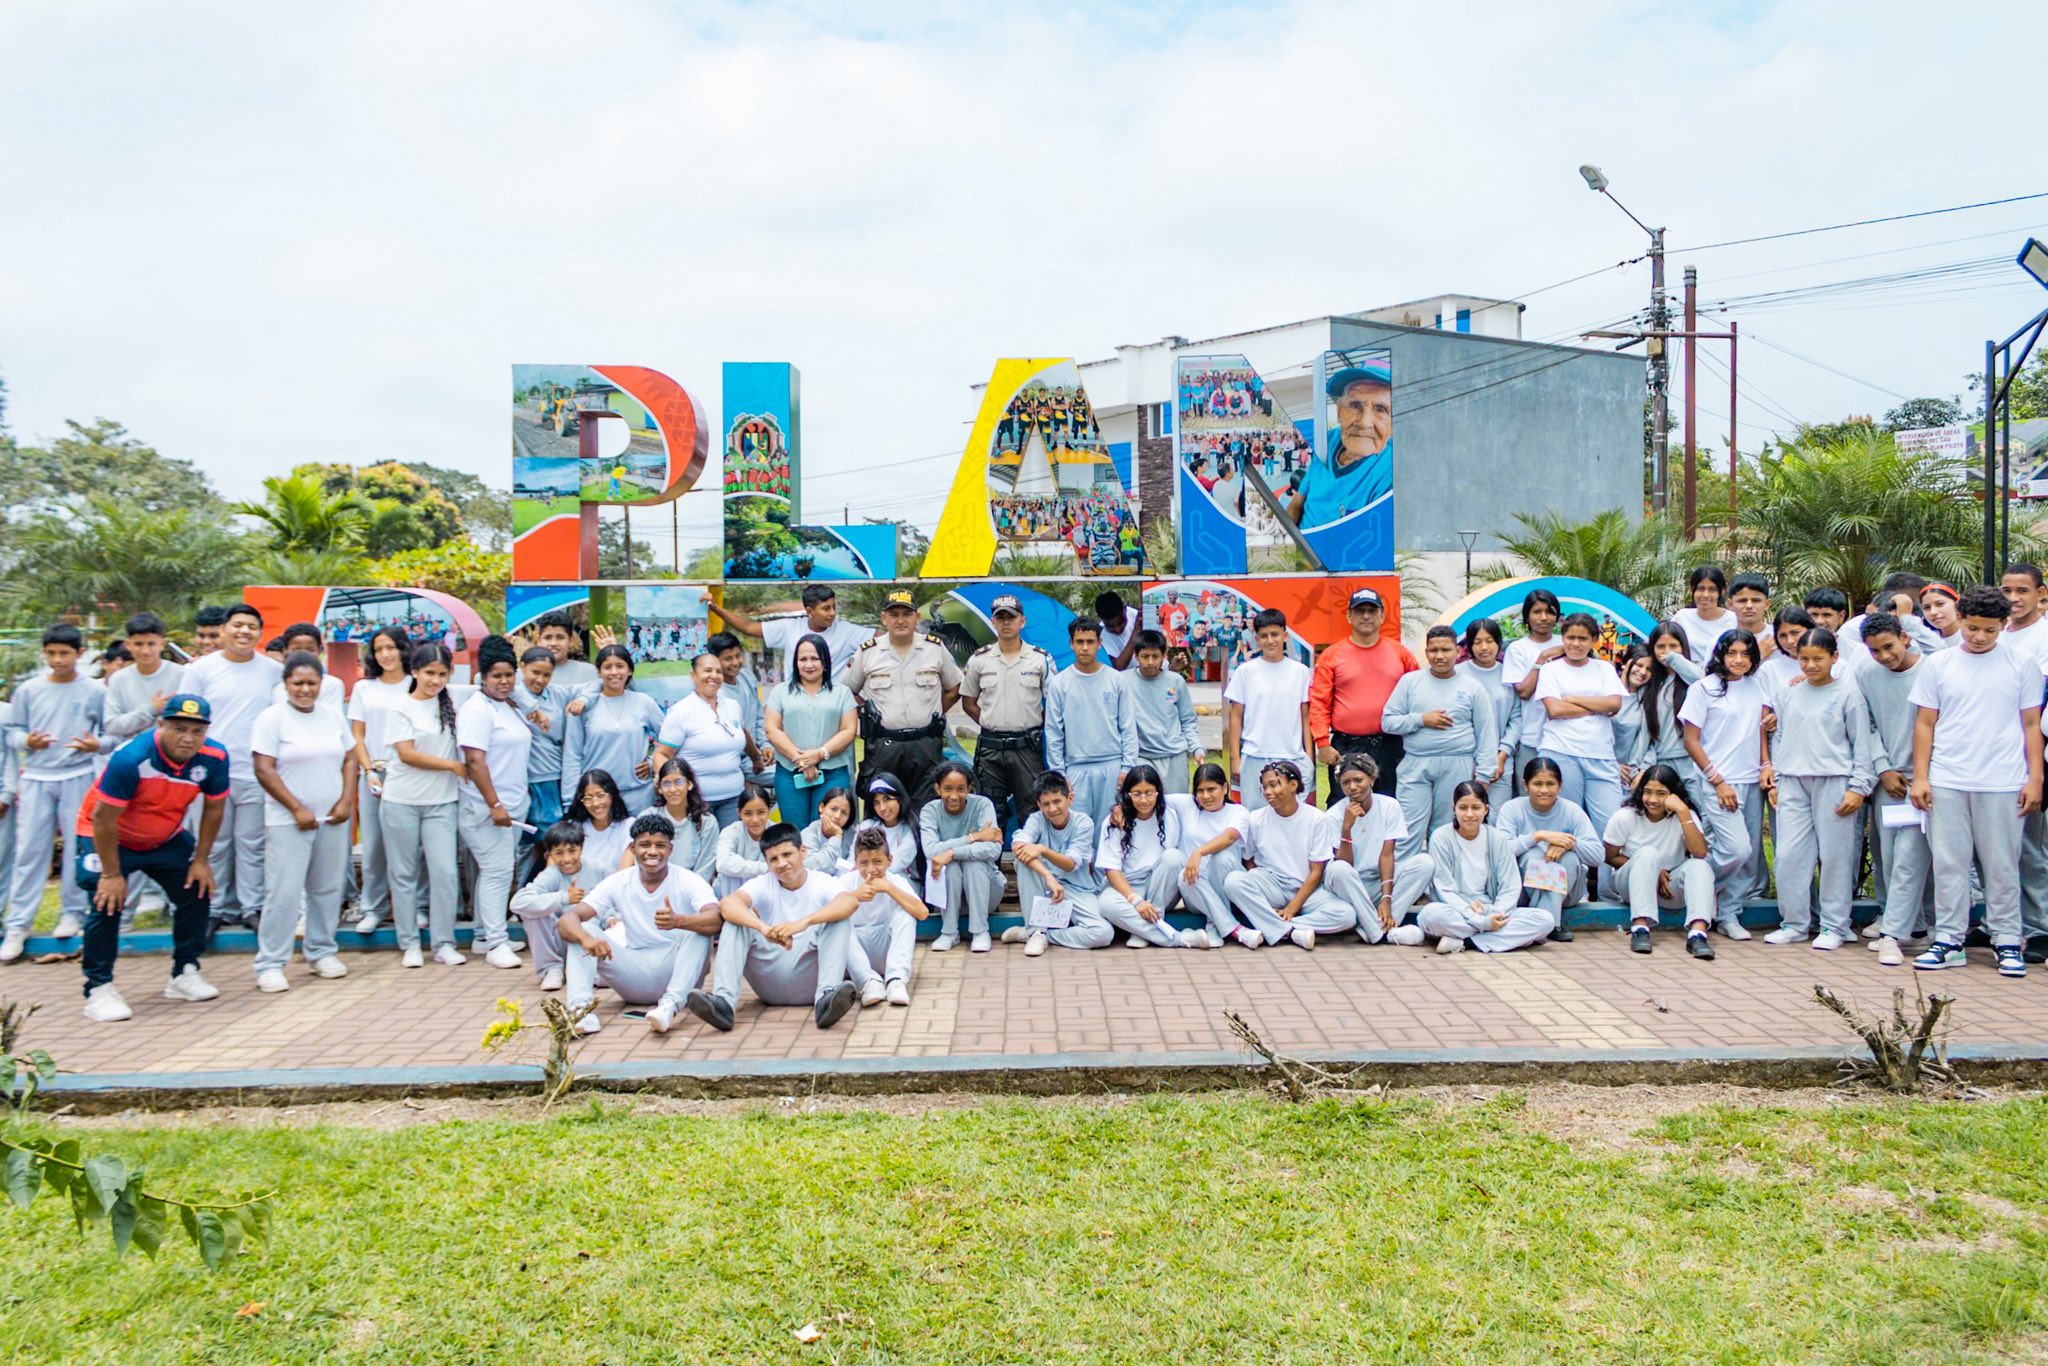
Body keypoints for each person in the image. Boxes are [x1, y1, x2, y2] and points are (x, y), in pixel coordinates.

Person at [1909, 585, 2042, 978]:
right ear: (1960, 619)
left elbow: (2031, 725)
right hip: (1948, 779)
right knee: (1949, 863)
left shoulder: (2021, 664)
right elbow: (1925, 723)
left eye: (1989, 630)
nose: (1979, 637)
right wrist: (1921, 777)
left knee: (2002, 865)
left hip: (2003, 781)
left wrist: (2035, 778)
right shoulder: (1939, 664)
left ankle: (2007, 940)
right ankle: (1949, 940)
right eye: (1972, 628)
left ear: (2003, 625)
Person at [71, 695, 229, 1021]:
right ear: (160, 726)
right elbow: (103, 818)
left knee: (197, 888)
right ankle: (98, 988)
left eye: (197, 731)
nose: (188, 738)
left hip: (164, 836)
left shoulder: (215, 757)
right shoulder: (131, 759)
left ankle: (184, 972)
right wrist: (112, 875)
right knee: (107, 901)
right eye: (179, 729)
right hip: (108, 835)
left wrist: (201, 860)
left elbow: (214, 809)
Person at [1761, 627, 1878, 951]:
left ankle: (1834, 925)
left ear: (1834, 658)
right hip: (1793, 781)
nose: (1811, 665)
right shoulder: (1788, 693)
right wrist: (1778, 777)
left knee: (1835, 857)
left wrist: (1858, 787)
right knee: (1789, 855)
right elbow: (1780, 736)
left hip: (1834, 781)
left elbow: (1862, 744)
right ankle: (1795, 923)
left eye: (1818, 659)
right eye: (1804, 659)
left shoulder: (1848, 694)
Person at [684, 822, 861, 1032]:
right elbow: (728, 904)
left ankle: (826, 999)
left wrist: (802, 923)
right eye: (773, 859)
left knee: (839, 919)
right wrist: (762, 928)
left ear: (802, 851)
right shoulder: (762, 883)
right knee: (737, 920)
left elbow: (849, 902)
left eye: (787, 855)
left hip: (810, 981)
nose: (782, 864)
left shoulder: (822, 881)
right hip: (769, 982)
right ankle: (723, 1004)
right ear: (766, 862)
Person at [558, 811, 723, 1036]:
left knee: (699, 930)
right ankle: (580, 1012)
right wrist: (586, 939)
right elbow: (567, 920)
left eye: (660, 845)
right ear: (632, 848)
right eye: (644, 845)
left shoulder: (688, 880)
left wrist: (679, 921)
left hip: (678, 972)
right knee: (583, 929)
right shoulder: (618, 881)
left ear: (670, 849)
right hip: (633, 973)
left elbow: (716, 918)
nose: (652, 852)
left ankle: (668, 1008)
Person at [248, 652, 356, 992]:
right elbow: (263, 768)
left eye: (312, 683)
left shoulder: (332, 715)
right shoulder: (271, 719)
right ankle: (270, 963)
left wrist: (345, 801)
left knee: (327, 889)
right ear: (286, 684)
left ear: (321, 683)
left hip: (332, 818)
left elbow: (350, 759)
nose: (305, 690)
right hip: (288, 820)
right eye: (298, 683)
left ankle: (321, 951)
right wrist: (295, 808)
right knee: (284, 892)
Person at [2, 624, 104, 957]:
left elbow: (109, 733)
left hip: (78, 774)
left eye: (64, 653)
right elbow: (13, 732)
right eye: (51, 653)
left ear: (79, 654)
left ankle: (72, 913)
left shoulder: (94, 690)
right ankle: (18, 924)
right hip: (37, 777)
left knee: (77, 847)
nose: (58, 660)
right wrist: (27, 741)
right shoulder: (29, 690)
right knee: (29, 851)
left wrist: (95, 745)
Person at [184, 602, 283, 927]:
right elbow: (186, 721)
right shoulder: (200, 670)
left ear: (260, 633)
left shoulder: (272, 671)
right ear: (224, 630)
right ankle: (213, 909)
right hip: (210, 772)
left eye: (252, 627)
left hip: (255, 772)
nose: (244, 631)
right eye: (238, 625)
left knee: (252, 845)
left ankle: (251, 907)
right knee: (214, 845)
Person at [1676, 629, 1767, 938]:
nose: (1739, 660)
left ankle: (1728, 913)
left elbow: (1760, 729)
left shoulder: (1758, 685)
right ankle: (1690, 885)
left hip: (1751, 779)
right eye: (1732, 653)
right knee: (1736, 849)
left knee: (1748, 855)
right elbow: (1691, 740)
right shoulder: (1704, 688)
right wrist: (1717, 780)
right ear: (1720, 655)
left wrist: (1765, 765)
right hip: (1717, 781)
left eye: (1746, 654)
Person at [1380, 625, 1497, 858]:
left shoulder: (1472, 687)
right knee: (1409, 828)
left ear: (1457, 651)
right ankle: (1406, 877)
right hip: (1416, 763)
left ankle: (1442, 877)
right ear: (1426, 652)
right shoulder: (1410, 682)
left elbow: (1486, 733)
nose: (1440, 656)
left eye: (1446, 650)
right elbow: (1388, 722)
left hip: (1457, 763)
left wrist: (1484, 775)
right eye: (1434, 650)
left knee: (1446, 829)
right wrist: (1421, 719)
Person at [382, 642, 466, 968]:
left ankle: (443, 942)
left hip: (442, 803)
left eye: (442, 674)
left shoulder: (454, 702)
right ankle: (410, 943)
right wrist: (453, 766)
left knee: (445, 873)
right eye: (429, 673)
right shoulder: (400, 707)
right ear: (414, 672)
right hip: (401, 801)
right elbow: (406, 754)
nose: (435, 680)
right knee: (403, 874)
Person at [1857, 614, 1933, 965]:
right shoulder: (1866, 674)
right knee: (1888, 858)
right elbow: (1866, 725)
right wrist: (1883, 768)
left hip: (1925, 780)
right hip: (1888, 781)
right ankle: (1913, 928)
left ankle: (1897, 933)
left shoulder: (1932, 670)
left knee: (1909, 857)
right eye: (1876, 651)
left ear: (1905, 637)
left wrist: (1924, 775)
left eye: (1889, 646)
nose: (1885, 656)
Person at [846, 590, 961, 814]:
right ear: (884, 618)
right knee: (881, 811)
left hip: (925, 744)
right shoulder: (868, 652)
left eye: (906, 614)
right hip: (883, 746)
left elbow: (954, 688)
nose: (900, 620)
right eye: (894, 614)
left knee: (926, 811)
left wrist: (934, 711)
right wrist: (866, 712)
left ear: (917, 617)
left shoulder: (934, 648)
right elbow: (848, 691)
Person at [1221, 760, 1355, 950]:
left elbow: (1317, 871)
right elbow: (1248, 860)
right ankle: (1291, 932)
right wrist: (1258, 883)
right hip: (1272, 885)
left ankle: (1278, 926)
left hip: (1307, 889)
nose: (1268, 792)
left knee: (1346, 915)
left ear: (1293, 785)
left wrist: (1292, 909)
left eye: (1273, 785)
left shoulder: (1317, 818)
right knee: (1234, 881)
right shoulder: (1256, 818)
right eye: (1264, 787)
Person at [457, 635, 531, 970]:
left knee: (497, 872)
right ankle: (496, 943)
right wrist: (494, 805)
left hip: (513, 806)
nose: (504, 681)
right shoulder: (477, 710)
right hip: (487, 809)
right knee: (498, 872)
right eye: (496, 676)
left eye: (509, 675)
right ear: (482, 676)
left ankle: (483, 936)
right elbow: (474, 761)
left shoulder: (506, 704)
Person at [1410, 782, 1547, 954]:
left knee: (1545, 919)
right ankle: (1500, 938)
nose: (1469, 814)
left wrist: (1495, 914)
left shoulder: (1496, 838)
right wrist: (1479, 920)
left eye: (1476, 808)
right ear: (1454, 809)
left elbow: (1510, 886)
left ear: (1486, 809)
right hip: (1456, 910)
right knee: (1430, 915)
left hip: (1490, 909)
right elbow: (1445, 889)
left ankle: (1466, 942)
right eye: (1463, 808)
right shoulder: (1441, 838)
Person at [1309, 587, 1417, 798]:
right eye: (1360, 611)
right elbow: (1319, 703)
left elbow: (1417, 695)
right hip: (1347, 747)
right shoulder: (1331, 655)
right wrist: (1322, 743)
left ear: (1382, 616)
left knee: (1390, 804)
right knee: (1346, 804)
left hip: (1391, 745)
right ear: (1349, 616)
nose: (1366, 616)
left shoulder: (1400, 653)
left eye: (1372, 610)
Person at [960, 594, 1053, 837]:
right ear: (993, 622)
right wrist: (990, 721)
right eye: (1000, 618)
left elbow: (1053, 704)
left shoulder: (1040, 659)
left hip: (1027, 748)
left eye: (1011, 617)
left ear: (1022, 621)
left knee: (1032, 812)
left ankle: (1032, 861)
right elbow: (968, 702)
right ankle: (992, 862)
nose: (1006, 623)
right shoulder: (979, 659)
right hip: (991, 749)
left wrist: (1033, 724)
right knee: (991, 814)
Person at [1603, 764, 1718, 959]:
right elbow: (1609, 856)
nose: (1653, 800)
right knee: (1648, 854)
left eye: (1661, 793)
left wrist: (1683, 811)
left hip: (1668, 888)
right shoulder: (1626, 816)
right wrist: (1653, 872)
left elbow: (1699, 852)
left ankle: (1697, 934)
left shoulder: (1685, 815)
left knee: (1700, 866)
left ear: (1674, 795)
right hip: (1631, 884)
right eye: (1647, 792)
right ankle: (1640, 929)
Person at [1093, 764, 1213, 950]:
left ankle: (1143, 928)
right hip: (1127, 887)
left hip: (1161, 888)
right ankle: (1179, 938)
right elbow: (1111, 870)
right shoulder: (1115, 822)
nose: (1143, 800)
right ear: (1128, 794)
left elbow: (1202, 801)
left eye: (1149, 793)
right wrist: (1136, 901)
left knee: (1173, 857)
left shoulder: (1170, 814)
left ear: (1158, 792)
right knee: (1106, 904)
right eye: (1137, 794)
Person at [1533, 612, 1625, 847]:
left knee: (1610, 827)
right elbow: (1555, 709)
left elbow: (1614, 704)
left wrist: (1572, 698)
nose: (1576, 643)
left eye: (1582, 638)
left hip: (1601, 755)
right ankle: (1571, 871)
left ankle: (1605, 873)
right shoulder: (1551, 670)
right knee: (1566, 825)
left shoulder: (1604, 669)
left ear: (1594, 640)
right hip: (1561, 751)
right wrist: (1596, 707)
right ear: (1562, 638)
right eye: (1570, 637)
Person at [346, 626, 413, 935]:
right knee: (373, 846)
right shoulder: (364, 688)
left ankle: (415, 908)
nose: (385, 654)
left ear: (402, 649)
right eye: (379, 649)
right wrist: (368, 769)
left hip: (409, 773)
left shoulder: (415, 683)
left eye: (391, 647)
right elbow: (357, 735)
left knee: (410, 846)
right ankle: (373, 908)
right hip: (374, 772)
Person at [1327, 753, 1434, 945]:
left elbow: (1387, 855)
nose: (1352, 787)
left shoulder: (1389, 806)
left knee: (1424, 863)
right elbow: (1345, 864)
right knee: (1338, 869)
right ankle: (1380, 933)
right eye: (1346, 783)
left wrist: (1386, 898)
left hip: (1378, 881)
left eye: (1358, 780)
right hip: (1351, 887)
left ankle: (1379, 925)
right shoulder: (1333, 815)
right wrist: (1346, 828)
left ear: (1372, 779)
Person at [1001, 770, 1110, 954]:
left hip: (1076, 890)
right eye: (1046, 804)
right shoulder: (1037, 819)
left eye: (1057, 801)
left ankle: (1036, 934)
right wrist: (1048, 876)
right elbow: (1019, 846)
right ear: (1039, 805)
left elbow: (1071, 864)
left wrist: (1043, 850)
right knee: (1023, 861)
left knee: (1103, 933)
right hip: (1044, 887)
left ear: (1070, 798)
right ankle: (1036, 931)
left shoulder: (1083, 822)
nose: (1052, 809)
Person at [1045, 616, 1137, 832]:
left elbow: (1128, 727)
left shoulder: (1117, 680)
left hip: (1112, 765)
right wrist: (1059, 774)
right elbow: (1054, 732)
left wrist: (1127, 767)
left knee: (1111, 829)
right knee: (1079, 829)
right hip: (1075, 768)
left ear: (1099, 643)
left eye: (1090, 642)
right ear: (1071, 643)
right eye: (1080, 642)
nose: (1085, 648)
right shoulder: (1059, 683)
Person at [1495, 757, 1602, 943]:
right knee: (1535, 855)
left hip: (1568, 893)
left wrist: (1568, 843)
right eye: (1537, 784)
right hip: (1524, 891)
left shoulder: (1572, 811)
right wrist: (1538, 836)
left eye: (1550, 784)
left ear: (1560, 786)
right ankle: (1552, 923)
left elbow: (1598, 856)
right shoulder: (1512, 809)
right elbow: (1501, 851)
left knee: (1569, 858)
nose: (1544, 790)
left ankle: (1543, 923)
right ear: (1525, 785)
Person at [762, 633, 857, 831]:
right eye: (802, 659)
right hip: (790, 773)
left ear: (825, 662)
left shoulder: (842, 692)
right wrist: (801, 760)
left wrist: (820, 754)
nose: (809, 664)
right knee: (794, 831)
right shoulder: (780, 691)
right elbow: (772, 729)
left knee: (828, 829)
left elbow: (849, 730)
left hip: (833, 773)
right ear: (795, 663)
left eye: (815, 658)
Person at [1226, 608, 1314, 813]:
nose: (1270, 640)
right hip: (1255, 755)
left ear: (1285, 636)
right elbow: (1236, 716)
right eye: (1264, 636)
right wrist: (1235, 758)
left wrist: (1309, 757)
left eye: (1275, 634)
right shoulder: (1245, 671)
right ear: (1256, 639)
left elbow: (1305, 716)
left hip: (1291, 755)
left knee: (1291, 815)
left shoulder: (1300, 672)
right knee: (1255, 817)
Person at [563, 644, 666, 814]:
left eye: (620, 666)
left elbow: (669, 739)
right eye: (607, 667)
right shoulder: (582, 707)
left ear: (630, 671)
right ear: (599, 672)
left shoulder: (644, 702)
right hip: (597, 798)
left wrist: (652, 761)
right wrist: (569, 800)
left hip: (638, 794)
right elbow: (572, 755)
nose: (614, 672)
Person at [1289, 362, 1391, 530]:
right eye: (1355, 405)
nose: (1364, 423)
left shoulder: (1390, 471)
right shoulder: (1326, 441)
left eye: (1381, 409)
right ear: (1339, 411)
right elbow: (1298, 501)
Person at [651, 653, 748, 825]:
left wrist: (757, 758)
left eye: (718, 671)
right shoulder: (681, 711)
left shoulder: (733, 706)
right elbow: (662, 754)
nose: (714, 676)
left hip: (734, 797)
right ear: (693, 676)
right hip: (697, 800)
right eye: (708, 670)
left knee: (729, 841)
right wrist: (668, 782)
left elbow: (743, 735)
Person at [918, 760, 1005, 952]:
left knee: (974, 864)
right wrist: (974, 837)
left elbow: (993, 850)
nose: (954, 796)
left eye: (961, 789)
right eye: (948, 789)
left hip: (987, 893)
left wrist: (952, 853)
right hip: (945, 897)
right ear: (938, 789)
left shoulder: (982, 805)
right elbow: (931, 851)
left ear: (969, 788)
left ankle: (980, 931)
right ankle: (949, 932)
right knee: (949, 866)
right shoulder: (930, 811)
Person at [714, 584, 873, 685]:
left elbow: (882, 638)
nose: (832, 613)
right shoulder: (790, 627)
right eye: (826, 608)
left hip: (832, 708)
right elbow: (748, 627)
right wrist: (716, 609)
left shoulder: (848, 631)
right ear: (809, 611)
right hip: (795, 705)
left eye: (834, 607)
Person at [839, 825, 925, 1007]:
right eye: (864, 863)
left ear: (889, 860)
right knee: (838, 920)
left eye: (877, 861)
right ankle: (868, 982)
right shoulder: (846, 881)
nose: (871, 869)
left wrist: (889, 889)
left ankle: (896, 980)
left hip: (885, 951)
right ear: (856, 862)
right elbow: (824, 913)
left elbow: (922, 913)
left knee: (906, 913)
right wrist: (855, 896)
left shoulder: (895, 881)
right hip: (856, 956)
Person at [1168, 763, 1251, 945]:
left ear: (1225, 788)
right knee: (1183, 876)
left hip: (1227, 889)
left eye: (1211, 789)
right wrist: (1119, 808)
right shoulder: (1187, 805)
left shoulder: (1238, 812)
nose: (1205, 796)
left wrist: (1198, 852)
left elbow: (1229, 837)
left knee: (1220, 857)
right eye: (1200, 791)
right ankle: (1235, 930)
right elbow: (1151, 797)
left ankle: (1215, 925)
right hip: (1195, 892)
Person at [1618, 623, 1700, 789]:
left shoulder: (1692, 678)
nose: (1667, 651)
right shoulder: (1652, 685)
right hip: (1660, 763)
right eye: (1661, 646)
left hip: (1692, 764)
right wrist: (1638, 768)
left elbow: (1702, 682)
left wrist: (1675, 659)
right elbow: (1645, 733)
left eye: (1673, 646)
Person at [510, 820, 585, 993]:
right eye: (559, 853)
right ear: (549, 855)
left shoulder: (599, 869)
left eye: (572, 851)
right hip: (561, 941)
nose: (567, 859)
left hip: (590, 941)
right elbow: (518, 903)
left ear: (581, 848)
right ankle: (551, 968)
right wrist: (564, 898)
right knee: (532, 912)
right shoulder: (550, 875)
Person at [1502, 589, 1564, 789]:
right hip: (1531, 737)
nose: (1544, 618)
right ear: (1527, 616)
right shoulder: (1518, 649)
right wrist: (1542, 658)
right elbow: (1523, 691)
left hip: (1565, 738)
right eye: (1537, 612)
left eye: (1550, 612)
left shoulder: (1566, 643)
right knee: (1529, 794)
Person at [1128, 630, 1202, 795]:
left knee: (1175, 805)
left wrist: (1196, 748)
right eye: (1145, 656)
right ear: (1136, 656)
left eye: (1155, 656)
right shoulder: (1123, 681)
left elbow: (1187, 720)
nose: (1150, 662)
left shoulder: (1176, 681)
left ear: (1164, 656)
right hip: (1141, 756)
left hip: (1174, 755)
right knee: (1144, 805)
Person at [1456, 618, 1518, 810]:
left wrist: (1501, 756)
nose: (1484, 647)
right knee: (1466, 817)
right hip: (1464, 761)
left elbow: (1516, 719)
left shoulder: (1509, 674)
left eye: (1489, 641)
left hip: (1501, 764)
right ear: (1469, 645)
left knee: (1497, 817)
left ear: (1498, 642)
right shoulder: (1457, 674)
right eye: (1477, 642)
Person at [513, 644, 568, 837]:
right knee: (525, 838)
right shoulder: (512, 694)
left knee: (551, 834)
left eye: (547, 675)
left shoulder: (557, 694)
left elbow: (594, 687)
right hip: (520, 778)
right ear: (521, 666)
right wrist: (532, 708)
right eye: (535, 672)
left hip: (550, 774)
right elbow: (483, 678)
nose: (540, 680)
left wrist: (583, 700)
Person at [646, 757, 721, 882]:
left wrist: (688, 889)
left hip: (693, 886)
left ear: (689, 784)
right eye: (666, 784)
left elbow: (706, 865)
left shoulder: (706, 821)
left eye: (678, 782)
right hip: (656, 883)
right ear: (659, 788)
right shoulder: (649, 817)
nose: (672, 789)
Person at [708, 631, 770, 779]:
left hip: (758, 754)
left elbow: (758, 717)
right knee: (787, 777)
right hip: (736, 761)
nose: (735, 662)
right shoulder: (715, 692)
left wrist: (766, 746)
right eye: (728, 659)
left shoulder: (747, 677)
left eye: (738, 655)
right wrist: (756, 756)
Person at [566, 770, 633, 880]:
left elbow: (623, 874)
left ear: (612, 795)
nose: (595, 803)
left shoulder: (629, 826)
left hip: (615, 887)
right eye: (588, 798)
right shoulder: (572, 828)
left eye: (600, 795)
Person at [714, 783, 775, 896]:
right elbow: (722, 863)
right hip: (732, 891)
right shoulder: (731, 832)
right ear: (739, 813)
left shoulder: (777, 832)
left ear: (769, 810)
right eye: (748, 814)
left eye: (761, 812)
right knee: (729, 872)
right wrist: (764, 868)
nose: (755, 820)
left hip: (765, 893)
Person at [1672, 566, 1735, 667]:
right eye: (1701, 589)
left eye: (1712, 589)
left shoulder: (1734, 620)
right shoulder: (1682, 617)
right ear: (1692, 590)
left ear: (1722, 591)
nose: (1705, 595)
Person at [858, 772, 919, 876]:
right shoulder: (867, 826)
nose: (882, 808)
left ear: (899, 799)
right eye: (876, 802)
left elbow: (896, 865)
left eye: (887, 799)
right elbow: (853, 861)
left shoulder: (911, 829)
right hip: (867, 878)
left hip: (901, 880)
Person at [531, 611, 598, 692]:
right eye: (548, 637)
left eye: (560, 637)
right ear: (539, 640)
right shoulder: (525, 674)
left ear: (571, 640)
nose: (553, 643)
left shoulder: (589, 672)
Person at [801, 785, 857, 873]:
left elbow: (855, 868)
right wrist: (836, 836)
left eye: (844, 813)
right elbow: (818, 868)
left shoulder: (854, 834)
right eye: (833, 809)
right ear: (821, 807)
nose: (837, 816)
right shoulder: (808, 834)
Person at [1093, 591, 1140, 670]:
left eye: (1121, 622)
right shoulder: (1101, 636)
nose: (1118, 629)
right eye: (1110, 626)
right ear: (1101, 619)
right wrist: (1136, 632)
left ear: (1125, 609)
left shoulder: (1136, 616)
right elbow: (1117, 667)